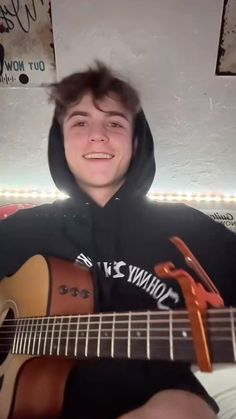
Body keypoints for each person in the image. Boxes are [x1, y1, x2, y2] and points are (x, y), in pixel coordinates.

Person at [0, 61, 236, 419]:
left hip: (157, 398)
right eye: (80, 123)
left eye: (114, 122)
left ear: (137, 140)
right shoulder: (22, 228)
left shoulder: (188, 227)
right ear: (60, 142)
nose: (98, 135)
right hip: (28, 400)